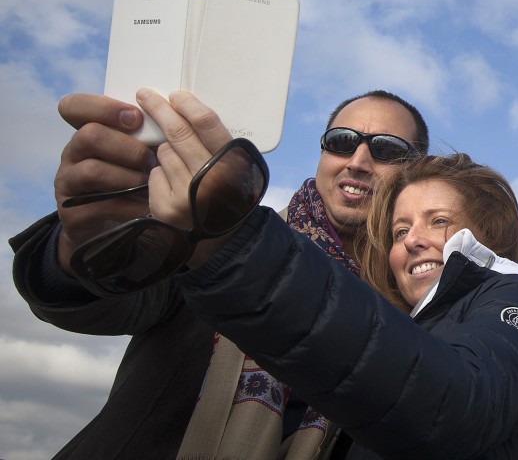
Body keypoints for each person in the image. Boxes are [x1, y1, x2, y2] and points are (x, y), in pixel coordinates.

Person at [10, 89, 428, 459]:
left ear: (416, 171)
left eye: (387, 149)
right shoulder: (217, 232)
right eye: (341, 142)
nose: (357, 161)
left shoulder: (417, 307)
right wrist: (79, 246)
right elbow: (109, 299)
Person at [353, 152, 518, 456]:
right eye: (400, 231)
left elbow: (450, 408)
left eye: (438, 221)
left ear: (490, 235)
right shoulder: (403, 333)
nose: (412, 240)